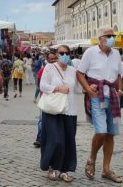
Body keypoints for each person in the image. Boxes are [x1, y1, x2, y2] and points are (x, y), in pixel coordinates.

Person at [77, 28, 123, 183]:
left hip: (113, 97)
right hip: (97, 97)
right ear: (100, 38)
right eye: (109, 36)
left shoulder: (116, 54)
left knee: (110, 134)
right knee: (101, 131)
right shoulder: (90, 52)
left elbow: (119, 75)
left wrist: (120, 89)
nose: (112, 38)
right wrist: (88, 89)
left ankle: (106, 169)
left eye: (113, 36)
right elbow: (80, 73)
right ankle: (92, 158)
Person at [40, 45, 81, 183]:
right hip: (53, 110)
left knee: (69, 141)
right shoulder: (49, 68)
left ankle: (64, 170)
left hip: (70, 110)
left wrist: (89, 87)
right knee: (55, 140)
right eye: (61, 53)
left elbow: (77, 89)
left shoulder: (72, 70)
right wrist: (57, 88)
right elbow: (42, 85)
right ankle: (52, 166)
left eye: (67, 53)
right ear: (57, 54)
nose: (64, 55)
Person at [33, 51, 57, 148]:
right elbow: (39, 84)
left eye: (54, 58)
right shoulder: (43, 70)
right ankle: (39, 139)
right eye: (51, 59)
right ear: (47, 59)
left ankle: (53, 139)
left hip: (57, 98)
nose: (53, 61)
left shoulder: (60, 69)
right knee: (42, 119)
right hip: (45, 97)